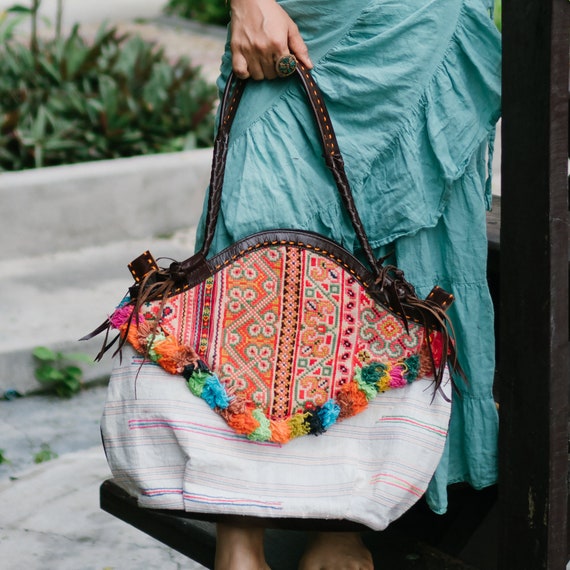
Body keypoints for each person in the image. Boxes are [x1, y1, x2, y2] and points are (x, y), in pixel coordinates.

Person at [101, 0, 501, 568]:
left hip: (422, 22)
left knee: (389, 285)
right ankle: (239, 530)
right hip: (303, 20)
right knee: (250, 267)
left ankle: (340, 516)